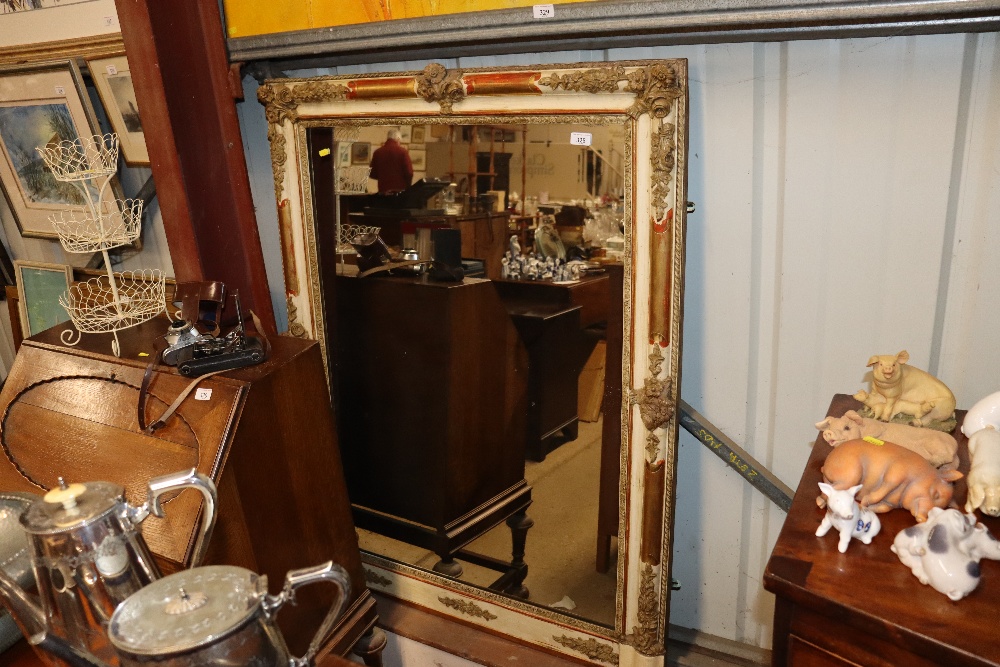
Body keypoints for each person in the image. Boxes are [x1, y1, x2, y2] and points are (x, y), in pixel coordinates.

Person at [368, 128, 413, 194]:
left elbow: (372, 173)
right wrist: (408, 187)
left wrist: (383, 177)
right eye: (400, 141)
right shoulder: (403, 152)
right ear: (398, 139)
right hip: (400, 193)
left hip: (383, 192)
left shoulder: (377, 152)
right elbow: (409, 173)